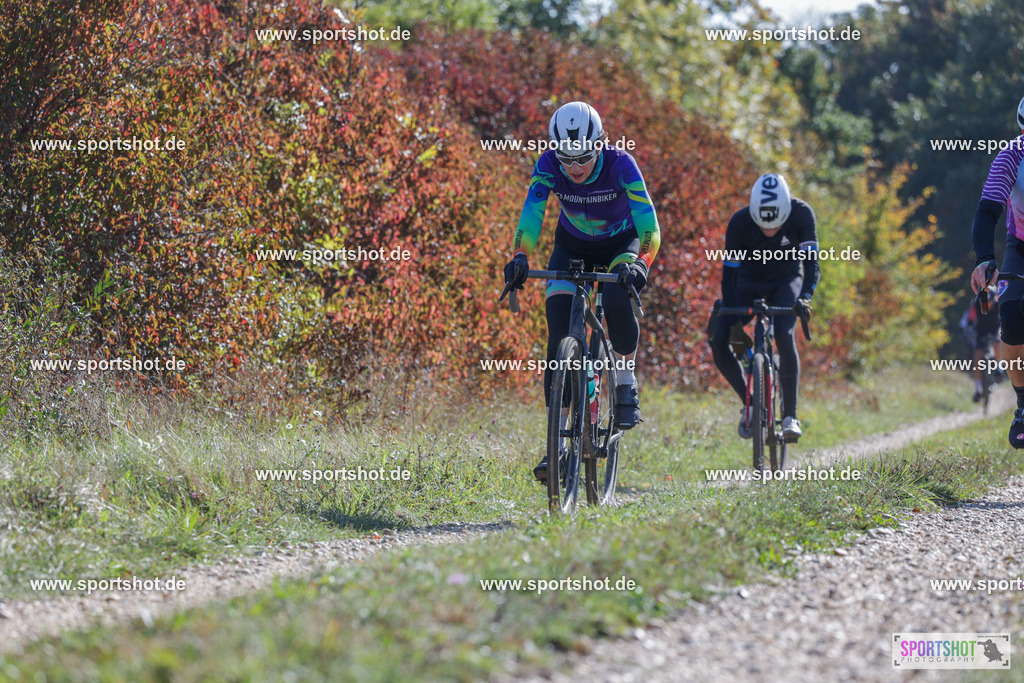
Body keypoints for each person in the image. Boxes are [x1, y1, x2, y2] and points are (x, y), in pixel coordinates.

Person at [502, 101, 661, 481]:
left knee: (619, 300)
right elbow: (532, 214)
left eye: (583, 159)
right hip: (571, 246)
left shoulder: (621, 164)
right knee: (559, 340)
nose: (574, 169)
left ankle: (625, 381)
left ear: (600, 144)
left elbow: (649, 226)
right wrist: (520, 255)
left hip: (620, 245)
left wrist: (642, 264)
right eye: (566, 160)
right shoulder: (547, 165)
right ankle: (555, 446)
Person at [709, 173, 819, 441]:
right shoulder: (740, 222)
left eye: (775, 227)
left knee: (784, 332)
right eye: (763, 227)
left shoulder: (802, 214)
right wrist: (736, 326)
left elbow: (812, 265)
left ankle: (790, 415)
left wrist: (805, 296)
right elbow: (729, 277)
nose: (769, 232)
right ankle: (750, 403)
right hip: (747, 281)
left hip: (786, 280)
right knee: (718, 339)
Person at [970, 94, 1024, 446]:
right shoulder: (1011, 156)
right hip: (1022, 244)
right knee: (1011, 312)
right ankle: (1023, 405)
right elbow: (988, 211)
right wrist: (985, 258)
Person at [959, 291, 1001, 402]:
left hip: (995, 331)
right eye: (984, 302)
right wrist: (966, 330)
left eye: (989, 302)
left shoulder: (998, 305)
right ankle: (978, 390)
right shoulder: (975, 305)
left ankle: (998, 368)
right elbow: (968, 319)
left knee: (997, 342)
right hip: (980, 332)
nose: (987, 305)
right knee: (977, 357)